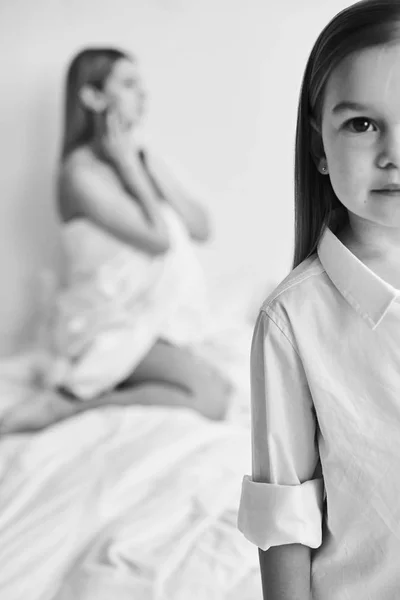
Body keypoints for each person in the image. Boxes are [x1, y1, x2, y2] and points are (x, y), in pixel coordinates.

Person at [238, 1, 400, 598]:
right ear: (320, 146)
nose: (394, 153)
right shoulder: (292, 319)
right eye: (363, 124)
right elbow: (283, 516)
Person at [50, 47, 232, 422]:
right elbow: (159, 240)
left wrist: (145, 165)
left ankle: (118, 386)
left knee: (227, 386)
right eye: (129, 84)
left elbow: (202, 227)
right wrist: (131, 169)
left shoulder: (142, 158)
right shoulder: (79, 175)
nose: (143, 94)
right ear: (92, 96)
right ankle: (67, 407)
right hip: (109, 324)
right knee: (210, 399)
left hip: (155, 317)